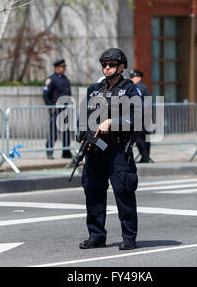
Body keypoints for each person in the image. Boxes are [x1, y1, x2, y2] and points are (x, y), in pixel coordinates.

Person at [78, 48, 142, 251]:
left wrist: (112, 122)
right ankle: (96, 236)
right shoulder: (94, 90)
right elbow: (82, 115)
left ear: (121, 66)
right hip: (95, 150)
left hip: (117, 150)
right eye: (104, 64)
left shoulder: (130, 90)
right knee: (93, 192)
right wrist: (82, 135)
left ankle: (129, 237)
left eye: (111, 64)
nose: (107, 68)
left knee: (123, 191)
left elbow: (138, 117)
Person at [43, 59, 72, 159]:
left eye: (64, 67)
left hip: (65, 109)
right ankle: (49, 151)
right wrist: (50, 107)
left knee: (66, 132)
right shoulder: (51, 79)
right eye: (62, 67)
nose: (64, 69)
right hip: (56, 109)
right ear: (57, 68)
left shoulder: (65, 79)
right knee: (54, 131)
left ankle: (66, 151)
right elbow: (45, 94)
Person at [129, 70, 151, 163]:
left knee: (140, 139)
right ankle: (144, 157)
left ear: (138, 77)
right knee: (141, 138)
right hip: (143, 117)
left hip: (141, 118)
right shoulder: (140, 87)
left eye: (133, 77)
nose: (131, 79)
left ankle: (145, 158)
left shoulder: (139, 88)